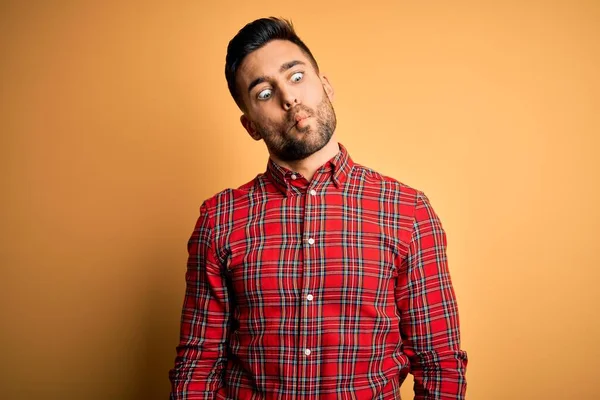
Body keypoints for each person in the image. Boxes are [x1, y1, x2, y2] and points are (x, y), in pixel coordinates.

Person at [169, 17, 467, 400]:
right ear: (250, 127)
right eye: (263, 93)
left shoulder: (407, 212)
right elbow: (198, 364)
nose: (289, 98)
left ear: (325, 85)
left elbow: (439, 362)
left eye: (295, 77)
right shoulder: (219, 219)